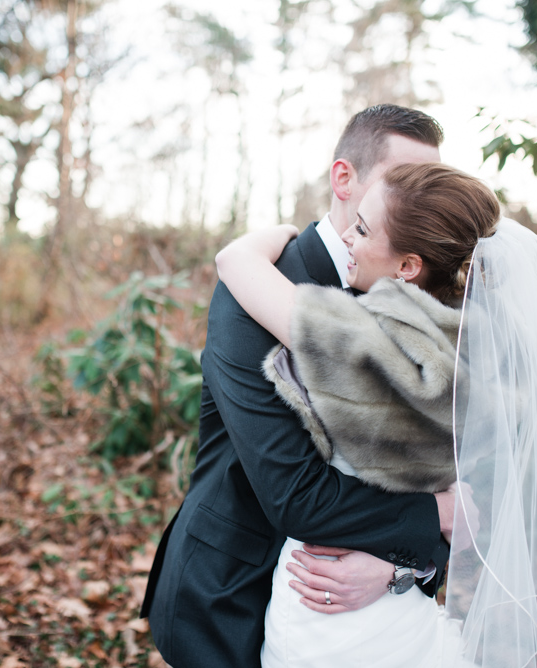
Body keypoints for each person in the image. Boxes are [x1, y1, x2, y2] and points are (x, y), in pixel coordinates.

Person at [216, 162, 537, 666]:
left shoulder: (367, 341)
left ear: (407, 266)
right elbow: (464, 506)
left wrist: (284, 231)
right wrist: (404, 563)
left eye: (362, 229)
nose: (347, 237)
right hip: (401, 604)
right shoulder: (490, 358)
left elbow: (234, 259)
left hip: (324, 609)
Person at [141, 105, 458, 667]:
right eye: (401, 181)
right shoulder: (259, 288)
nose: (418, 196)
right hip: (232, 592)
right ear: (345, 180)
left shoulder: (427, 305)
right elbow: (294, 493)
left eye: (429, 183)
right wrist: (443, 513)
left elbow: (424, 466)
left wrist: (399, 570)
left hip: (365, 616)